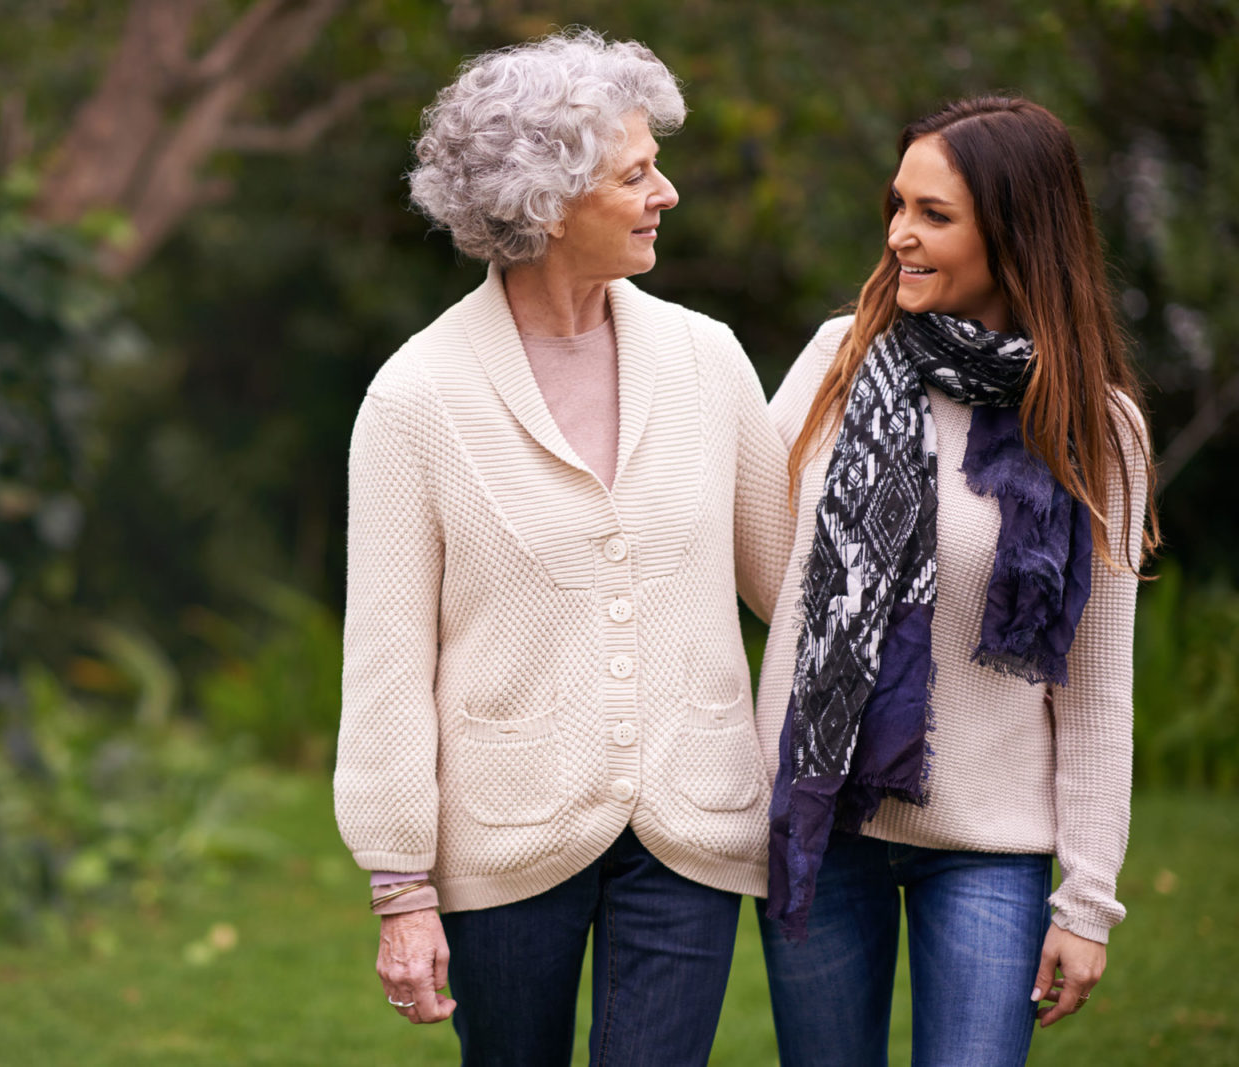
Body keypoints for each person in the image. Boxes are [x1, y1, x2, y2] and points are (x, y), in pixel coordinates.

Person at [333, 29, 793, 1064]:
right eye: (636, 173)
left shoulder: (706, 357)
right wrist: (400, 886)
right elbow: (388, 661)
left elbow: (792, 580)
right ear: (544, 200)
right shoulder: (415, 398)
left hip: (693, 819)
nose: (665, 191)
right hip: (503, 832)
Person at [754, 95, 1159, 1066]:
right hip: (823, 814)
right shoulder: (837, 360)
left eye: (932, 214)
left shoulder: (1096, 429)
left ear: (1015, 230)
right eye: (896, 205)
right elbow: (764, 560)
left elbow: (1097, 689)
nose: (898, 235)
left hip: (987, 847)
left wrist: (1088, 900)